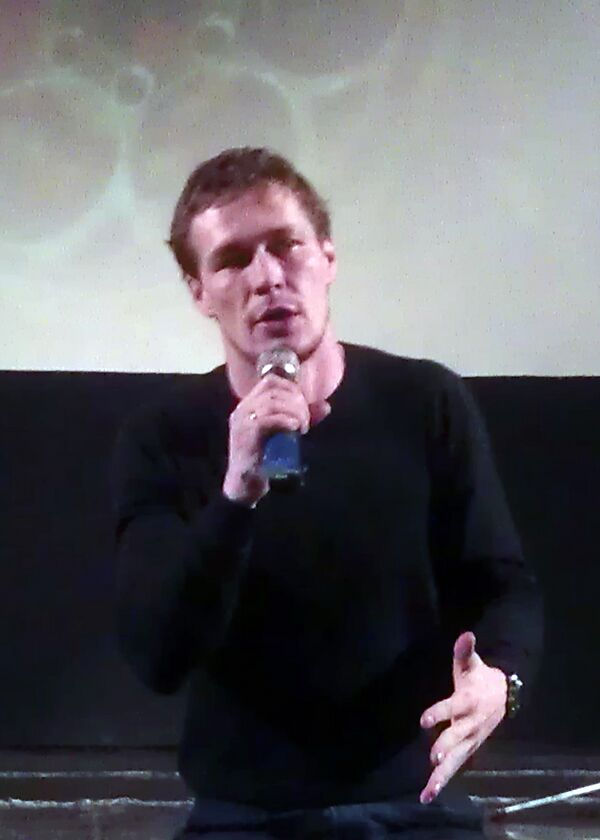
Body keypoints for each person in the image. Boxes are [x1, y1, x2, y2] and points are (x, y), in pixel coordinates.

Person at [111, 147, 543, 839]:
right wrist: (235, 495)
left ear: (328, 257)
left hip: (413, 803)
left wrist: (502, 682)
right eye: (232, 260)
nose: (267, 277)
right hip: (248, 816)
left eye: (286, 245)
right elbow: (158, 653)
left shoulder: (426, 402)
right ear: (199, 292)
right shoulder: (163, 437)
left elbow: (503, 584)